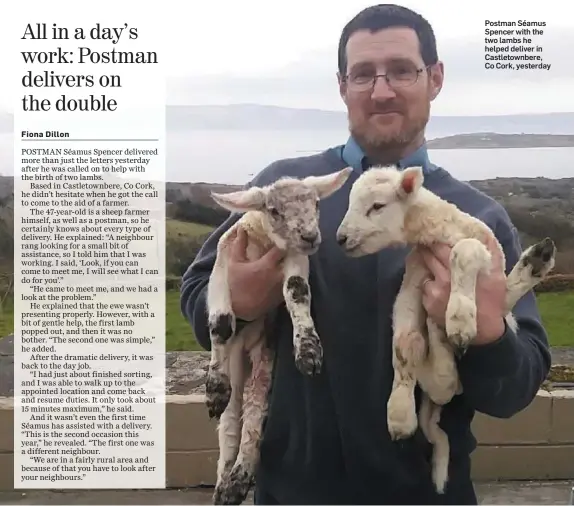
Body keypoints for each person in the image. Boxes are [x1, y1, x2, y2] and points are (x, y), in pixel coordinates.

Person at [180, 4, 551, 504]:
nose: (381, 90)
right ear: (342, 86)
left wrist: (488, 335)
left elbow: (516, 389)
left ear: (435, 78)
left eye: (402, 70)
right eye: (363, 75)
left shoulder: (476, 219)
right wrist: (236, 301)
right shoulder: (288, 190)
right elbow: (198, 292)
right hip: (292, 493)